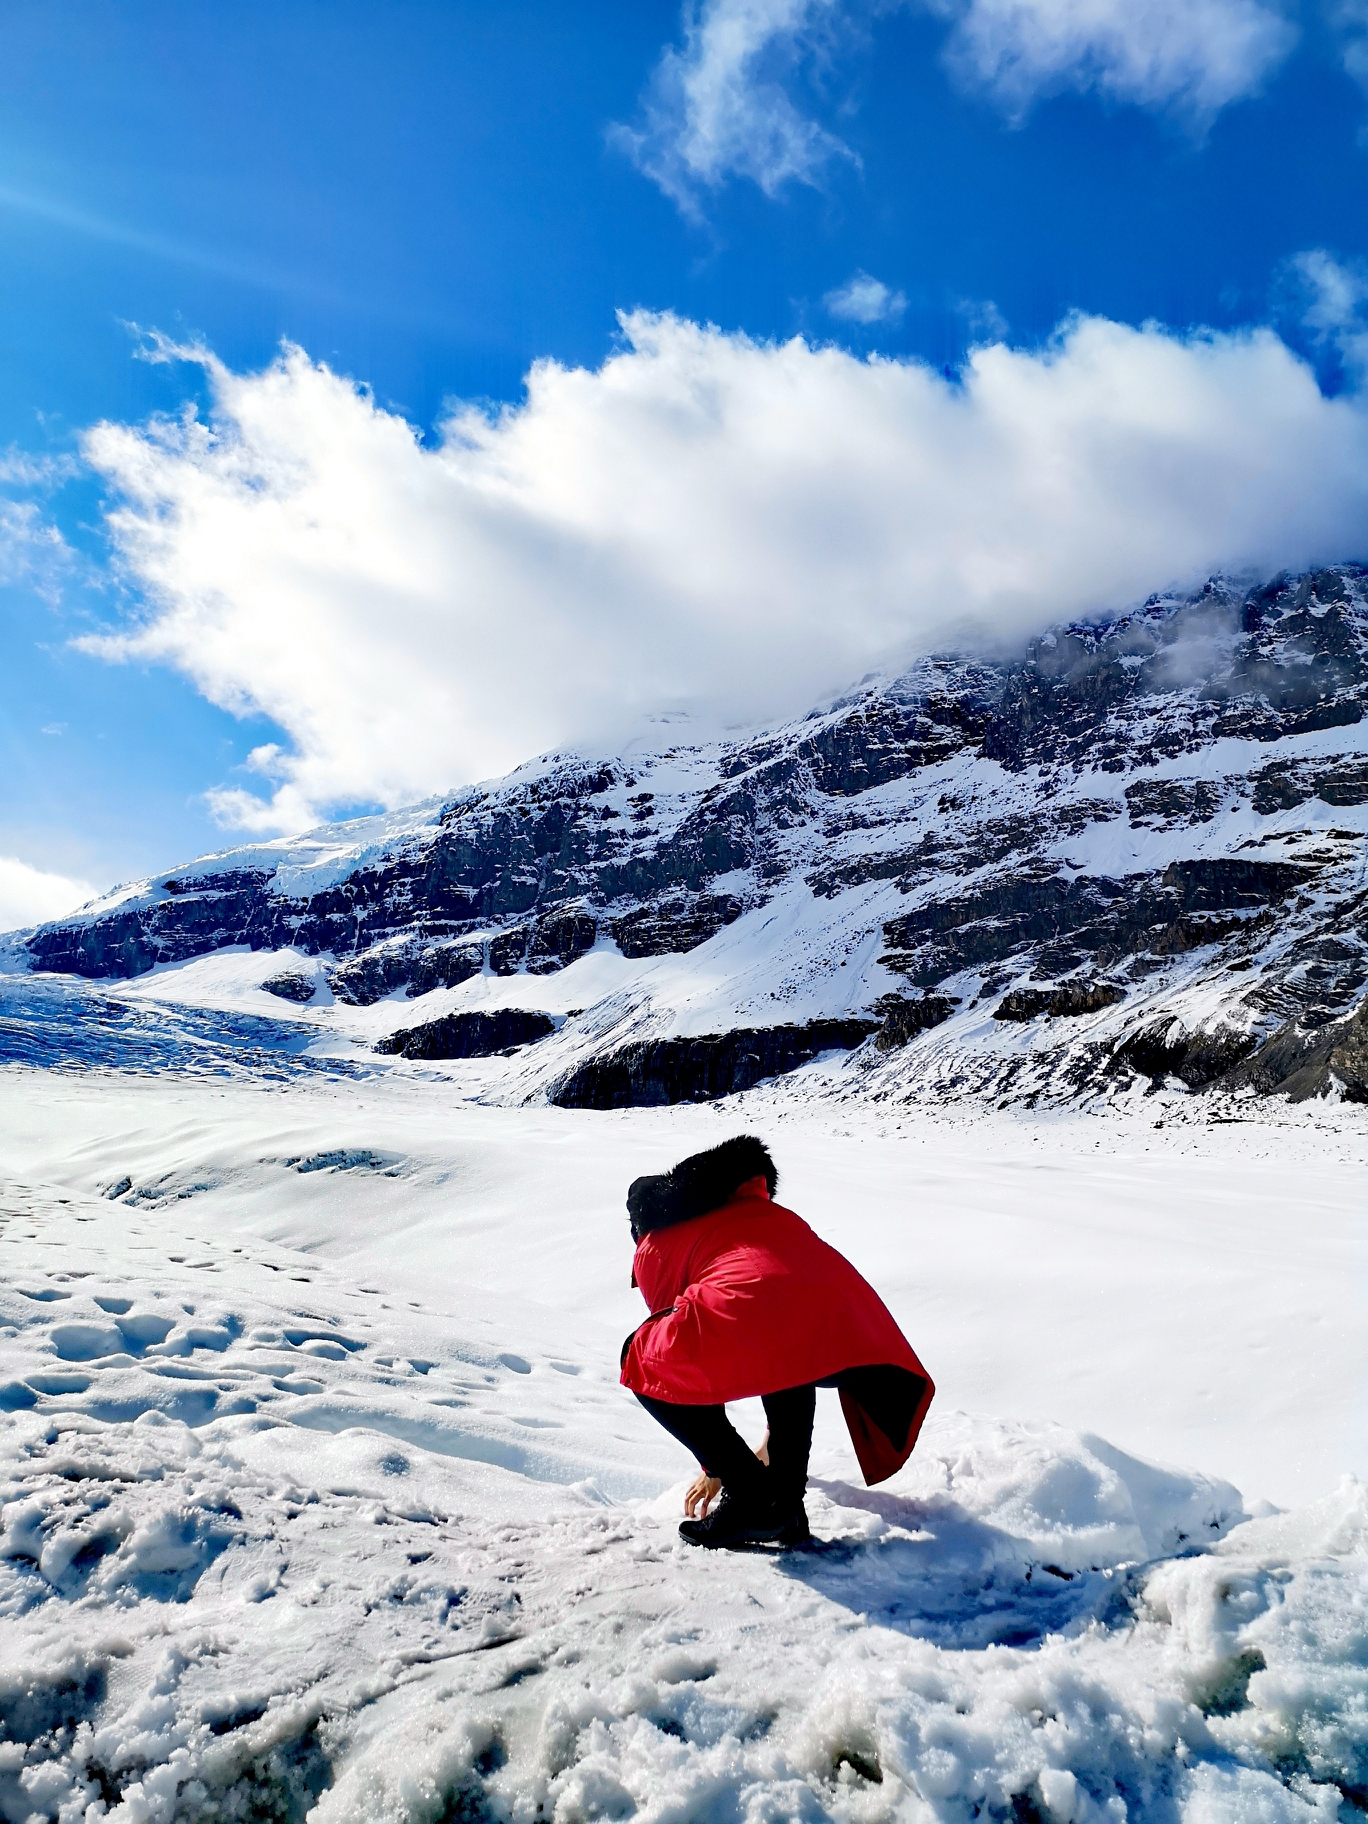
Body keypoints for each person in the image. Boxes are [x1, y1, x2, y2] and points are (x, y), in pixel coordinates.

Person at [620, 1134, 934, 1550]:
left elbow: (686, 1369)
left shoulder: (656, 1243)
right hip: (848, 1334)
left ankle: (751, 1497)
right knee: (787, 1351)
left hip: (793, 1324)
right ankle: (784, 1507)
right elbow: (784, 1332)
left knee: (644, 1360)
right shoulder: (768, 1214)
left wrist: (717, 1466)